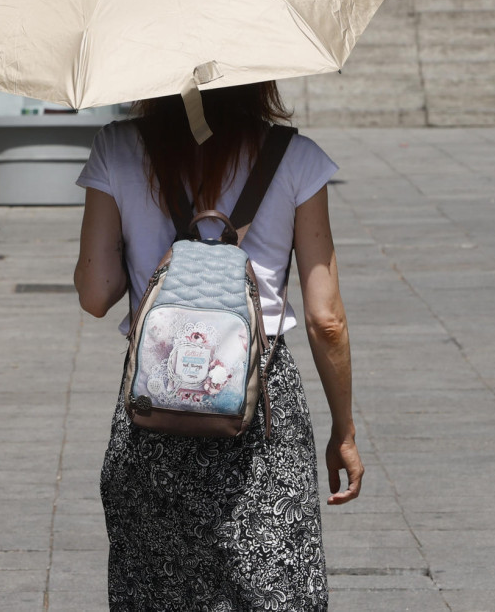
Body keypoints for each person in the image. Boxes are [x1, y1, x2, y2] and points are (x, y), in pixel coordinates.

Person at [73, 83, 362, 611]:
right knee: (273, 581)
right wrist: (343, 428)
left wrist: (149, 263)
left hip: (154, 403)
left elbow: (95, 295)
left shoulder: (117, 148)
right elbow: (327, 319)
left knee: (158, 587)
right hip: (262, 403)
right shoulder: (294, 157)